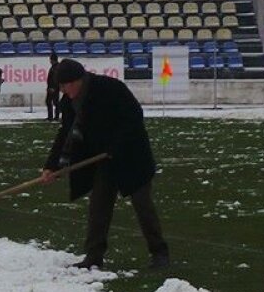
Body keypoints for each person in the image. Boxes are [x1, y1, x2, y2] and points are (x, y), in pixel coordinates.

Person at [41, 59, 169, 271]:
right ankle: (94, 256)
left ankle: (159, 253)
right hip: (103, 160)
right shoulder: (69, 103)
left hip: (131, 156)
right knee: (98, 207)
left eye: (65, 85)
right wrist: (52, 166)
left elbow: (134, 117)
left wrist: (115, 145)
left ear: (77, 80)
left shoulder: (110, 88)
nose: (63, 91)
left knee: (143, 205)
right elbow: (66, 133)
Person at [45, 52, 60, 121]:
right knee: (54, 102)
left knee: (52, 102)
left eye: (50, 59)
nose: (50, 61)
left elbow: (55, 79)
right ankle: (54, 117)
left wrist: (53, 87)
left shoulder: (55, 68)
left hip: (53, 88)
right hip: (53, 88)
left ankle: (53, 117)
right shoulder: (55, 67)